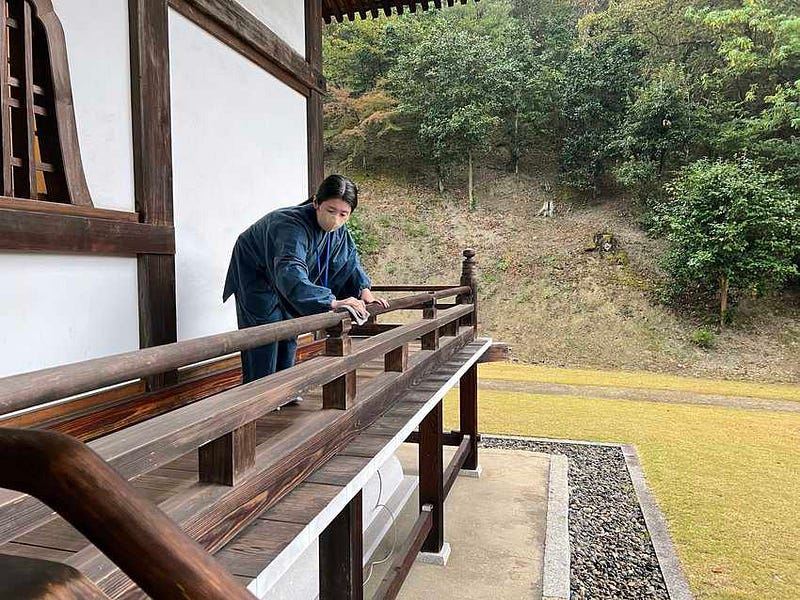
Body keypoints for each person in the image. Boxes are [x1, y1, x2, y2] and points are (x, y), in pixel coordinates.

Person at [223, 174, 389, 385]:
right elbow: (290, 270)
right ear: (316, 203)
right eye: (330, 211)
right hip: (255, 274)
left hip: (284, 276)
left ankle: (285, 389)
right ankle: (259, 392)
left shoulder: (339, 229)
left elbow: (348, 260)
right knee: (264, 329)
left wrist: (365, 293)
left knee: (292, 322)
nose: (336, 220)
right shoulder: (290, 225)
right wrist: (331, 302)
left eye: (344, 214)